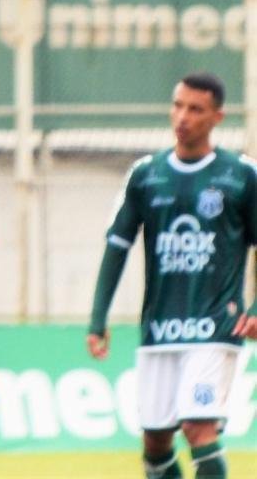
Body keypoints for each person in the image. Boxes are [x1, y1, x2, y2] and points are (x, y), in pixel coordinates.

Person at [87, 72, 257, 479]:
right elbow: (117, 246)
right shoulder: (146, 174)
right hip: (159, 330)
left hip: (216, 327)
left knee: (199, 428)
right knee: (155, 441)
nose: (183, 116)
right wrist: (98, 318)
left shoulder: (241, 176)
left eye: (195, 109)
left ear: (217, 117)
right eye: (178, 105)